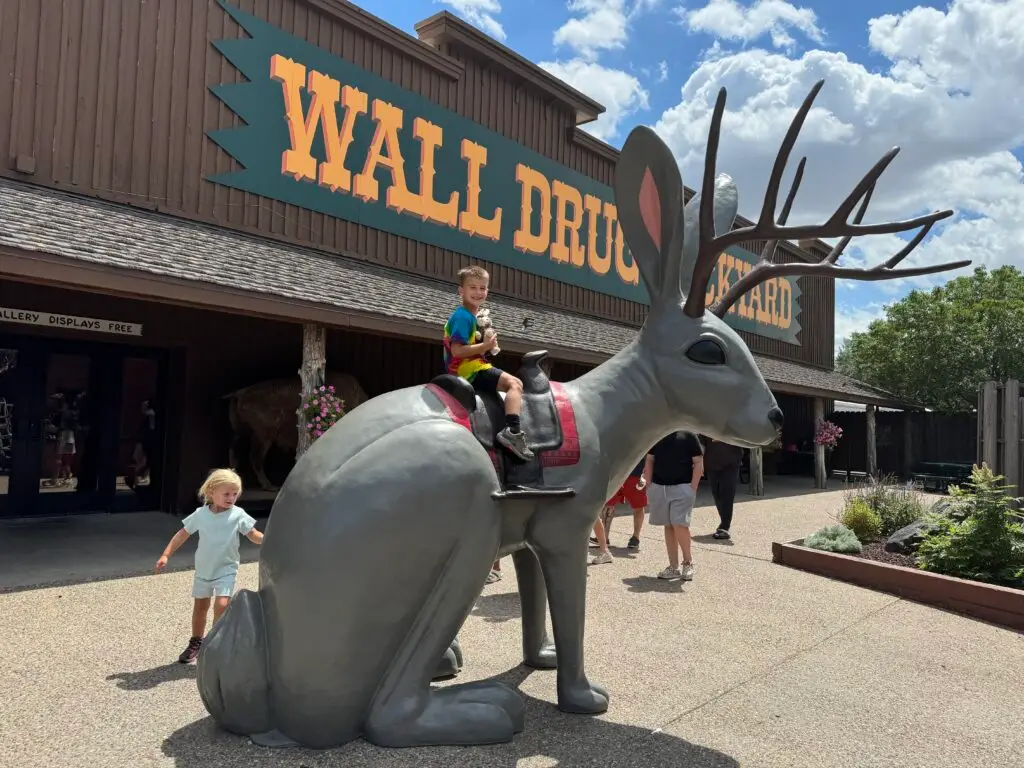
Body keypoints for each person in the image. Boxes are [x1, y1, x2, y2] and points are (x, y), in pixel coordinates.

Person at [154, 468, 264, 664]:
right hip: (204, 569)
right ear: (211, 492)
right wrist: (166, 554)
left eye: (235, 494)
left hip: (226, 569)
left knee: (221, 605)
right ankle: (196, 642)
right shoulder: (200, 514)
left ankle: (214, 643)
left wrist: (269, 539)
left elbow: (253, 534)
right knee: (200, 607)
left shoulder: (238, 515)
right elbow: (183, 534)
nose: (231, 498)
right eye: (227, 493)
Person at [444, 265, 532, 461]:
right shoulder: (462, 317)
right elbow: (457, 350)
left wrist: (487, 344)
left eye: (482, 288)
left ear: (487, 291)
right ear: (461, 291)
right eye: (472, 287)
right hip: (469, 370)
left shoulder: (472, 316)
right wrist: (484, 346)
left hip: (474, 366)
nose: (478, 292)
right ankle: (513, 431)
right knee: (515, 384)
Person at [642, 431, 704, 581]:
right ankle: (673, 567)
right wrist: (649, 486)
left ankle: (688, 563)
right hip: (659, 487)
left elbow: (698, 462)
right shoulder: (657, 434)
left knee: (679, 523)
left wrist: (693, 487)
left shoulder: (689, 435)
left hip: (683, 487)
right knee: (668, 525)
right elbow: (650, 459)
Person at [598, 458, 648, 551]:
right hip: (616, 473)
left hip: (635, 473)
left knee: (638, 506)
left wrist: (646, 474)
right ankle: (604, 537)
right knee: (609, 504)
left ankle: (635, 537)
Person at [702, 436, 744, 540]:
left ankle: (725, 526)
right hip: (712, 461)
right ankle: (724, 521)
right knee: (717, 494)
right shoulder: (708, 422)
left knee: (727, 493)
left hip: (731, 462)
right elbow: (701, 442)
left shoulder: (734, 421)